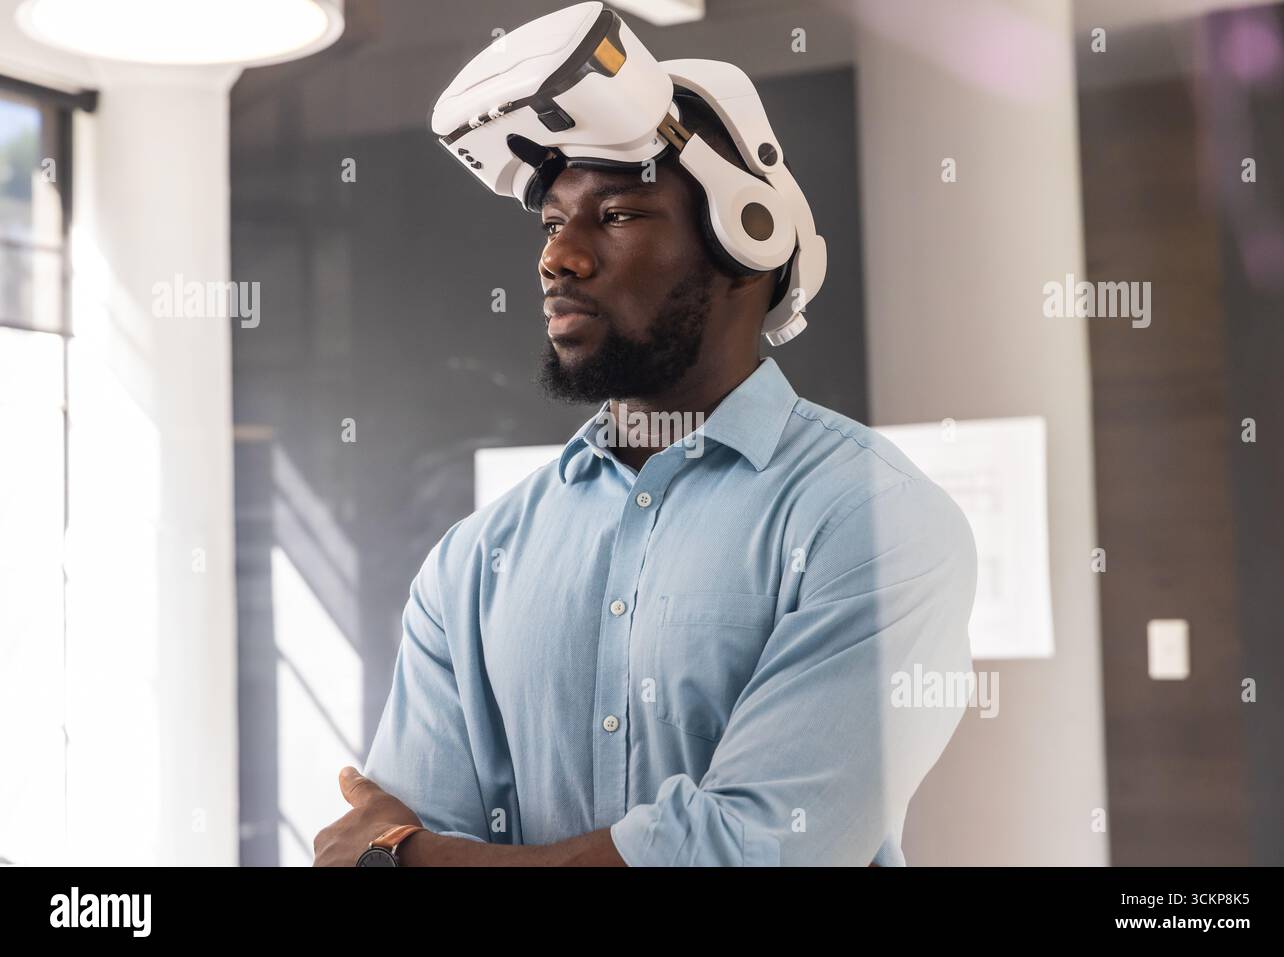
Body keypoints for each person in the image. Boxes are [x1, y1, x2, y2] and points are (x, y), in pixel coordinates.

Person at [312, 91, 977, 868]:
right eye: (553, 223)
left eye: (617, 215)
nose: (557, 257)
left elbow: (751, 852)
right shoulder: (472, 560)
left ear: (746, 239)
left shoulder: (872, 519)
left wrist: (411, 856)